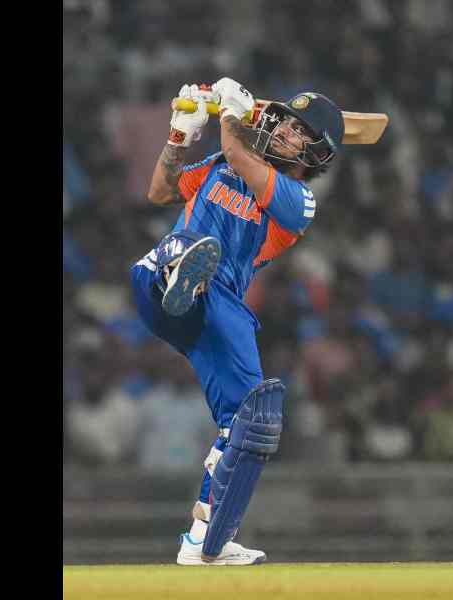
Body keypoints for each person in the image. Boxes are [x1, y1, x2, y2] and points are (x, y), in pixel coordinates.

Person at [129, 77, 344, 565]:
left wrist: (229, 115)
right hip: (156, 282)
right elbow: (159, 191)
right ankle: (179, 275)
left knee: (253, 419)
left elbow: (238, 153)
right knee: (191, 246)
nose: (285, 129)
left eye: (299, 130)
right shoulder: (221, 163)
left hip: (219, 307)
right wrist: (179, 136)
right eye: (285, 121)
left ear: (316, 154)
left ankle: (207, 540)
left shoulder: (298, 200)